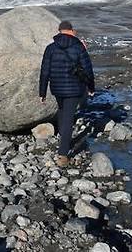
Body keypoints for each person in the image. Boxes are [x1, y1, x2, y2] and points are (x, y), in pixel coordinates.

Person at [39, 20, 95, 167]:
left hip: (57, 88)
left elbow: (44, 71)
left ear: (59, 31)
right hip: (74, 89)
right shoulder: (78, 47)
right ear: (71, 30)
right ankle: (63, 154)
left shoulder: (50, 48)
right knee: (68, 118)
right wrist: (91, 87)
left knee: (63, 112)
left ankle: (63, 139)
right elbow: (88, 69)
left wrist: (42, 91)